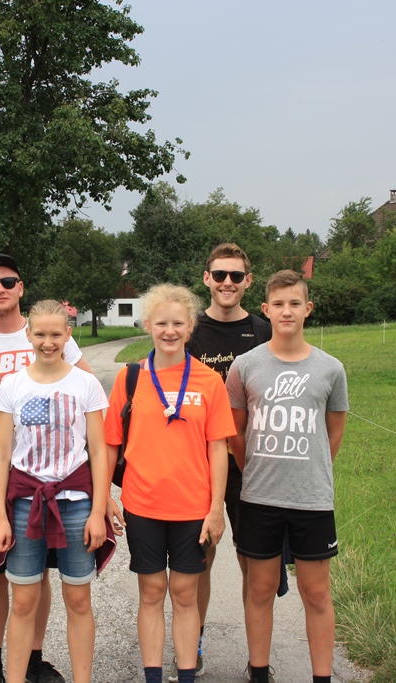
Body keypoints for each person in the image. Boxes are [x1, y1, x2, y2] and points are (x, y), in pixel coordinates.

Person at [0, 253, 93, 683]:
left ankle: (33, 659)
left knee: (39, 575)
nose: (0, 288)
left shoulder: (50, 333)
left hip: (50, 477)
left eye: (8, 281)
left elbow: (87, 398)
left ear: (21, 288)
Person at [104, 283, 235, 683]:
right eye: (161, 323)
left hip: (192, 509)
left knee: (184, 594)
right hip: (142, 505)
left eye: (178, 323)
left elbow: (218, 449)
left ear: (191, 326)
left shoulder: (209, 381)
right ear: (148, 325)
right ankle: (153, 676)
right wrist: (105, 497)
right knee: (150, 593)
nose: (170, 331)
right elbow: (110, 444)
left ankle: (187, 675)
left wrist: (216, 509)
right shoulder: (129, 379)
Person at [225, 270, 349, 683]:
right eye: (278, 304)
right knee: (260, 589)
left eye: (295, 303)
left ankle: (322, 677)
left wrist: (308, 469)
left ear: (307, 309)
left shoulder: (330, 369)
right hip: (259, 497)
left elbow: (333, 433)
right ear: (265, 309)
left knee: (316, 592)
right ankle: (259, 673)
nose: (287, 311)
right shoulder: (245, 366)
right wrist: (257, 471)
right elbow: (236, 434)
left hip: (311, 498)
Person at [0, 300, 113, 683]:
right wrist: (0, 518)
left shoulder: (85, 385)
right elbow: (2, 455)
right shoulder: (13, 386)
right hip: (25, 505)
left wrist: (98, 512)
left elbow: (98, 451)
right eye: (40, 334)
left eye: (56, 334)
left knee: (78, 598)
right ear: (28, 334)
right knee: (24, 599)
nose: (48, 342)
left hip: (75, 504)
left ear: (68, 335)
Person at [174, 243, 272, 681]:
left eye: (235, 275)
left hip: (252, 462)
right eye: (219, 275)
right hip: (200, 462)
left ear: (248, 281)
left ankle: (258, 659)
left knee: (253, 562)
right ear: (206, 279)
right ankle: (192, 647)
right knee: (201, 559)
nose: (227, 283)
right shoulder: (191, 332)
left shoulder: (263, 331)